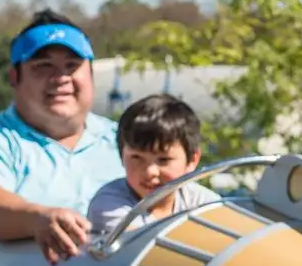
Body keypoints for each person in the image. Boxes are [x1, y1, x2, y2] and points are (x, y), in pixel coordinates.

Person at [0, 9, 124, 265]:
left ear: (90, 74)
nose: (60, 78)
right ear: (14, 77)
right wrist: (37, 218)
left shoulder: (126, 140)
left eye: (72, 65)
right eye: (43, 66)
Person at [87, 94, 220, 234]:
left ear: (192, 160)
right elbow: (147, 244)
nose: (150, 172)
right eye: (137, 157)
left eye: (164, 160)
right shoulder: (108, 206)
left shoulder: (202, 201)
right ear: (121, 155)